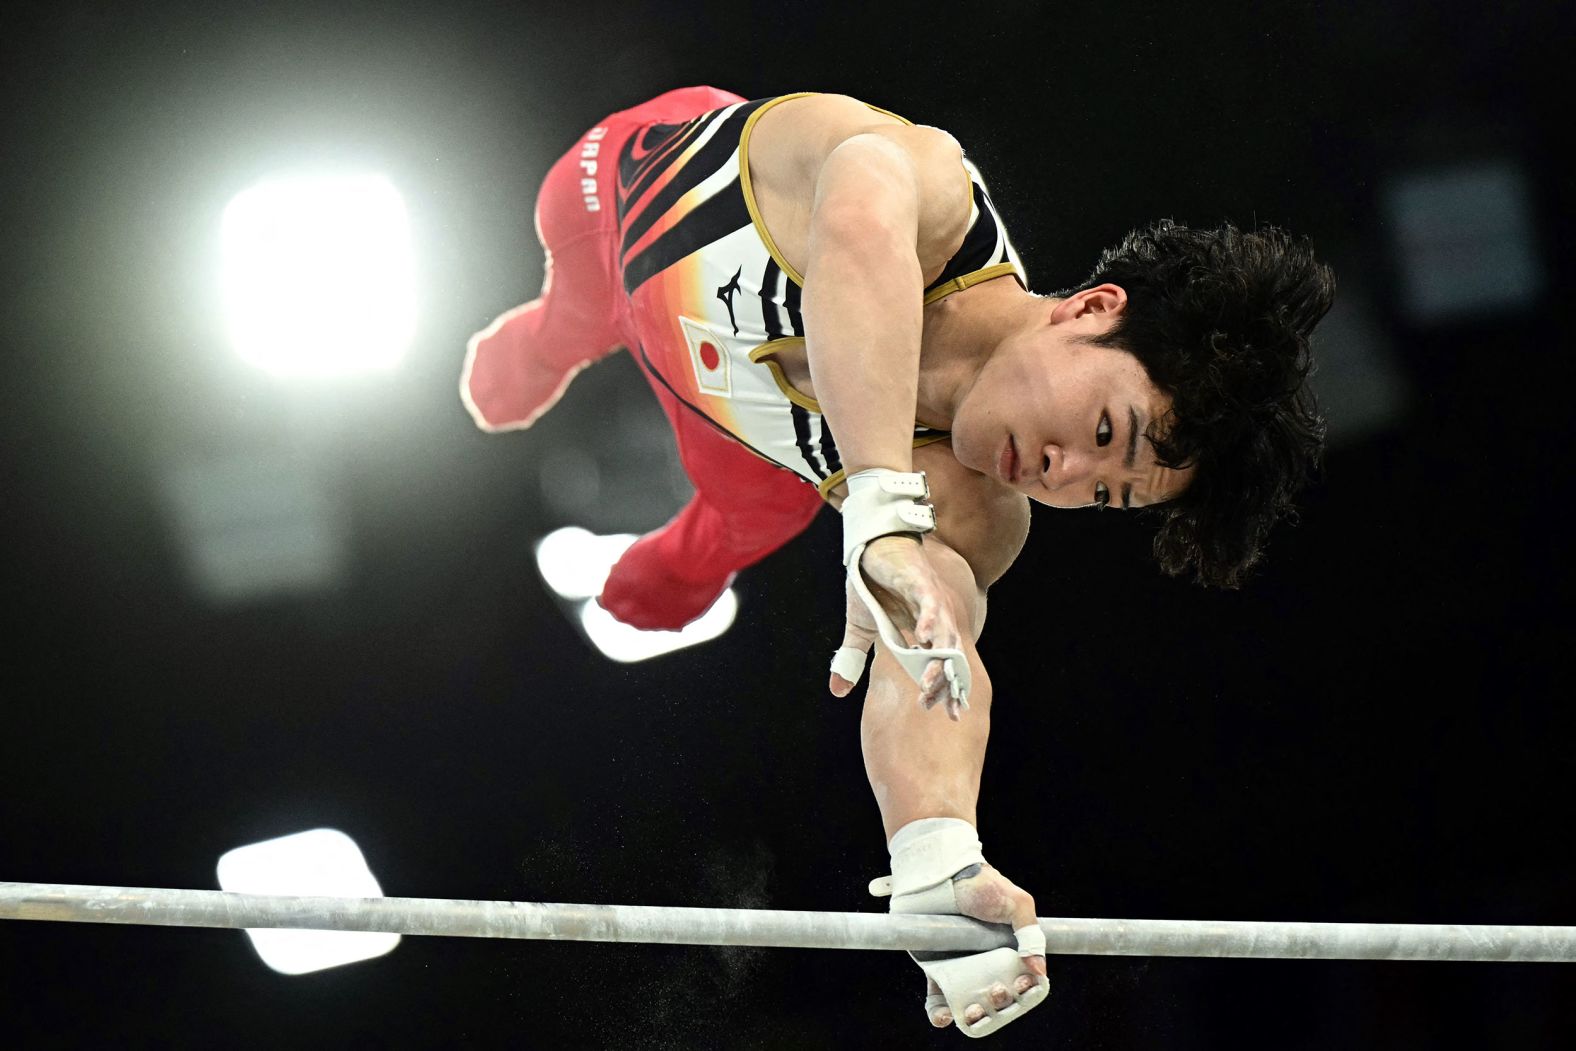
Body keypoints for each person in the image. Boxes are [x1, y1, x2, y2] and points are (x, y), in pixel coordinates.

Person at [460, 86, 1333, 1037]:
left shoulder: (975, 510)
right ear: (1090, 308)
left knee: (739, 527)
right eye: (1102, 429)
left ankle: (690, 559)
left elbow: (934, 649)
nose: (1065, 473)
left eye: (1108, 493)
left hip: (744, 453)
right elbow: (860, 222)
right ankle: (548, 343)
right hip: (615, 216)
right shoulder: (927, 187)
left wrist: (937, 856)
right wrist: (875, 495)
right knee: (555, 336)